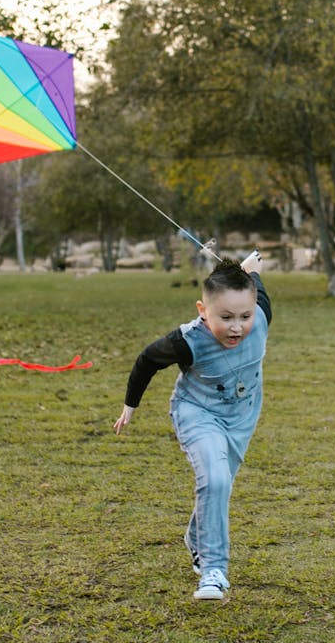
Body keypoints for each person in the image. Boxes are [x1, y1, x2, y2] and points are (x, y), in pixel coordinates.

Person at [114, 253, 271, 601]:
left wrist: (248, 269)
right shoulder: (187, 341)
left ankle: (196, 537)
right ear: (203, 309)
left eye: (244, 316)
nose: (237, 327)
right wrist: (130, 405)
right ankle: (214, 571)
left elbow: (254, 285)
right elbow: (146, 361)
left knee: (221, 483)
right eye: (225, 317)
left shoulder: (260, 315)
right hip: (196, 412)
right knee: (214, 479)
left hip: (242, 418)